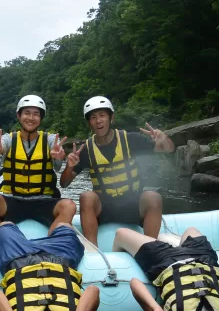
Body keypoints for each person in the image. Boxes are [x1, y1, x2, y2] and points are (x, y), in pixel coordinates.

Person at [60, 96, 175, 244]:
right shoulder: (86, 149)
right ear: (89, 122)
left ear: (111, 118)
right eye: (93, 117)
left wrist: (163, 139)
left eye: (102, 115)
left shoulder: (131, 139)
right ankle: (92, 249)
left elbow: (169, 150)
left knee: (153, 196)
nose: (98, 121)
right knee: (86, 197)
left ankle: (150, 247)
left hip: (132, 203)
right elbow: (64, 183)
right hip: (104, 208)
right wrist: (69, 167)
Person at [0, 95, 76, 247]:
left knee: (69, 205)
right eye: (27, 113)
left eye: (36, 114)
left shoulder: (50, 140)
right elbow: (0, 150)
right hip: (13, 200)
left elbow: (58, 163)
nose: (31, 118)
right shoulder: (8, 139)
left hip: (44, 200)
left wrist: (59, 156)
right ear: (19, 116)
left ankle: (50, 245)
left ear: (41, 118)